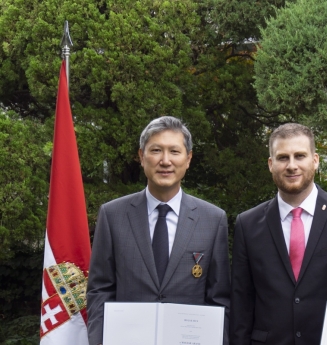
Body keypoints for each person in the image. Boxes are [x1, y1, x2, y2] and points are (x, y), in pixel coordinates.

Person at [86, 116, 230, 345]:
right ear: (141, 157)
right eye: (156, 150)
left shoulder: (213, 219)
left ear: (188, 158)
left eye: (174, 151)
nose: (165, 161)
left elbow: (219, 298)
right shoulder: (113, 215)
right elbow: (100, 290)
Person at [230, 123, 327, 345]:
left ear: (315, 160)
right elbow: (241, 303)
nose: (291, 165)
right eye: (282, 158)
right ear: (271, 164)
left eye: (300, 156)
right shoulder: (247, 224)